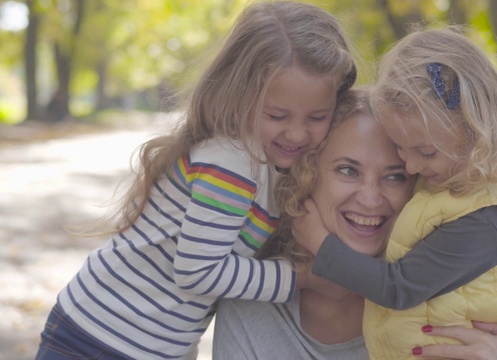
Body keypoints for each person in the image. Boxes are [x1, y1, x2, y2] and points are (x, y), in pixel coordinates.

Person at [34, 2, 356, 359]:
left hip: (138, 343)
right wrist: (302, 278)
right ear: (241, 96)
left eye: (317, 116)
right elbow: (198, 272)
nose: (297, 133)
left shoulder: (266, 166)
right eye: (277, 115)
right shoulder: (233, 163)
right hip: (100, 337)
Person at [212, 88, 497, 360]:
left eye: (395, 177)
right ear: (307, 175)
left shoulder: (448, 305)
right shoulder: (252, 304)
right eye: (348, 171)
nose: (371, 199)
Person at [294, 28, 497, 360]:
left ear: (477, 133)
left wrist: (318, 240)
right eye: (401, 150)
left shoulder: (489, 219)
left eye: (425, 153)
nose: (412, 167)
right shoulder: (454, 178)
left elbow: (399, 287)